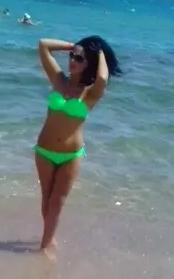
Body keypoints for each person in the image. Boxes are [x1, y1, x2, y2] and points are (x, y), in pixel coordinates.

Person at [35, 36, 121, 258]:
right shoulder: (58, 80)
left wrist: (98, 51)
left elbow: (103, 77)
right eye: (72, 56)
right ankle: (49, 238)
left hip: (71, 155)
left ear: (89, 63)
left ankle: (44, 248)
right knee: (47, 199)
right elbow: (43, 45)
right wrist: (73, 46)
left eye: (79, 58)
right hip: (44, 151)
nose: (72, 60)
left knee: (57, 202)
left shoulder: (91, 93)